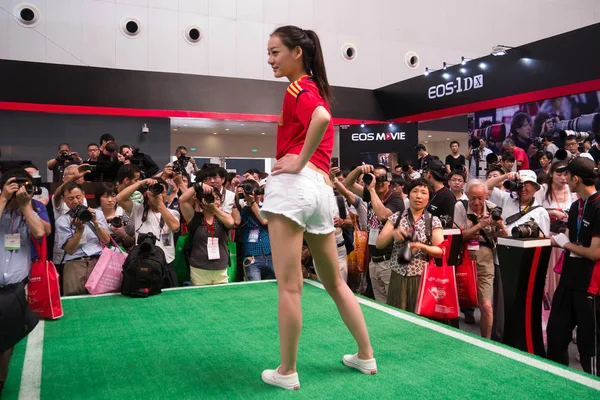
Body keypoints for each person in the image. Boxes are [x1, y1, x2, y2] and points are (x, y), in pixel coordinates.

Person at [259, 25, 375, 390]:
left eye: (275, 51)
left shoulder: (298, 88)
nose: (270, 59)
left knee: (290, 286)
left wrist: (297, 161)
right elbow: (323, 119)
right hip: (321, 191)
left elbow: (322, 117)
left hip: (295, 185)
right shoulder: (313, 87)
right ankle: (365, 355)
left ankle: (287, 371)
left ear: (297, 53)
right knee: (336, 283)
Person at [547, 157, 600, 375]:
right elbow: (569, 239)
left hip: (590, 285)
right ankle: (560, 382)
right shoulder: (576, 205)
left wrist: (566, 243)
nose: (564, 179)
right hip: (568, 280)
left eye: (567, 175)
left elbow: (595, 253)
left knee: (590, 347)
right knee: (555, 334)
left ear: (576, 178)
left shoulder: (598, 206)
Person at [0, 169, 46, 396]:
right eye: (13, 185)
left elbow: (39, 232)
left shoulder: (34, 209)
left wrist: (26, 204)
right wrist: (3, 198)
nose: (19, 189)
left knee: (5, 347)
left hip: (15, 290)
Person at [376, 178, 443, 312]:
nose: (418, 196)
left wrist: (422, 246)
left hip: (422, 278)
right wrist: (393, 234)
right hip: (398, 276)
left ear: (428, 197)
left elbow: (441, 250)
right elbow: (379, 244)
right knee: (397, 316)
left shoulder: (433, 221)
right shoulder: (397, 217)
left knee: (420, 317)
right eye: (415, 191)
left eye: (423, 193)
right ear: (409, 194)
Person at [345, 164, 405, 303]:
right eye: (374, 178)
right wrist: (359, 170)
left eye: (382, 178)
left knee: (393, 304)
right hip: (374, 260)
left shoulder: (396, 200)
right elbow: (348, 184)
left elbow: (383, 215)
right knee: (380, 303)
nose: (378, 182)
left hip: (389, 261)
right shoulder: (371, 194)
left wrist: (371, 189)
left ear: (389, 180)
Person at [454, 179, 506, 338]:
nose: (476, 202)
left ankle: (486, 342)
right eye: (473, 198)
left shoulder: (492, 209)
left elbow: (505, 236)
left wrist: (500, 225)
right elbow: (457, 236)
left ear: (486, 196)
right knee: (457, 301)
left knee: (486, 305)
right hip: (464, 259)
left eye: (480, 198)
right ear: (467, 194)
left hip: (485, 259)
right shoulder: (460, 206)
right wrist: (480, 225)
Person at [116, 177, 180, 283]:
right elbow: (119, 198)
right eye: (155, 190)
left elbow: (175, 227)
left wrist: (159, 204)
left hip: (166, 262)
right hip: (142, 262)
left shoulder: (172, 213)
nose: (158, 194)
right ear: (148, 193)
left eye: (162, 191)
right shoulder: (138, 209)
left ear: (166, 194)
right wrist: (141, 183)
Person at [55, 182, 111, 295]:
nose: (75, 201)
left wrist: (95, 223)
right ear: (63, 199)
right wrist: (79, 231)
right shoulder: (62, 220)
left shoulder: (97, 214)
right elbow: (70, 250)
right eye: (70, 198)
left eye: (78, 197)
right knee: (74, 300)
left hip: (97, 260)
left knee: (101, 300)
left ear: (83, 195)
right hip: (74, 263)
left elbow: (107, 240)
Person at [180, 185, 234, 286]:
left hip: (221, 268)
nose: (214, 201)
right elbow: (182, 200)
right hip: (199, 268)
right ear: (202, 201)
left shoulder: (222, 218)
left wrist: (214, 209)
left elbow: (231, 223)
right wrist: (198, 185)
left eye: (217, 199)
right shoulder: (194, 217)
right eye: (211, 198)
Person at [232, 179, 275, 281]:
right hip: (252, 258)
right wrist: (236, 199)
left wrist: (252, 202)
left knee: (274, 289)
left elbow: (264, 221)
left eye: (254, 192)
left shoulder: (267, 208)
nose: (252, 194)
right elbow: (236, 222)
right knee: (255, 289)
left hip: (270, 256)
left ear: (259, 193)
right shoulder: (242, 211)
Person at [485, 170, 550, 237]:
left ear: (535, 188)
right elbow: (486, 186)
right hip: (503, 245)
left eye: (527, 185)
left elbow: (545, 239)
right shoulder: (506, 198)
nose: (523, 189)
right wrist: (506, 176)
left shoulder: (541, 212)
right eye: (520, 185)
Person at [95, 183, 135, 251]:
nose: (110, 200)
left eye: (113, 196)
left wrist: (123, 234)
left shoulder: (124, 213)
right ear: (99, 198)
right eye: (106, 196)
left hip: (124, 253)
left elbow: (133, 242)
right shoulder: (94, 215)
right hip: (100, 253)